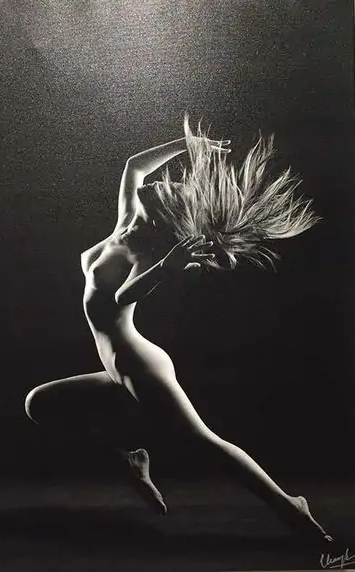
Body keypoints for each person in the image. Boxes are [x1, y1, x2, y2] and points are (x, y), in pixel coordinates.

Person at [24, 115, 333, 544]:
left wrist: (168, 268)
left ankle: (288, 504)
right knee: (40, 403)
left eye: (167, 188)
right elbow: (135, 166)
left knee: (203, 442)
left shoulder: (149, 254)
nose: (160, 182)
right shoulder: (126, 222)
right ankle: (129, 461)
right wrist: (189, 145)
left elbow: (122, 297)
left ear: (165, 214)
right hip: (115, 365)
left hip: (138, 363)